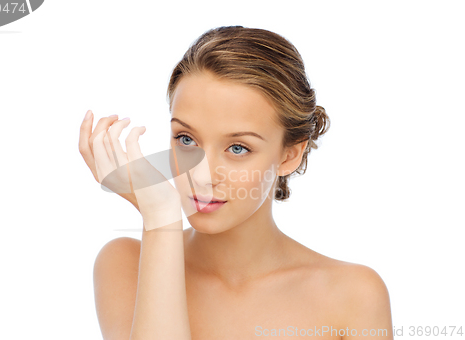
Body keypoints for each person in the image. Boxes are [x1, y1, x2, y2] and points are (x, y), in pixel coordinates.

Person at [79, 25, 393, 340]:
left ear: (289, 156)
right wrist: (161, 220)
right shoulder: (125, 264)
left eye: (238, 148)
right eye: (186, 139)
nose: (201, 176)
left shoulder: (354, 296)